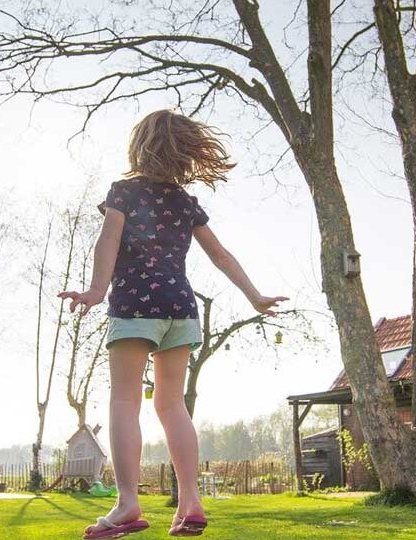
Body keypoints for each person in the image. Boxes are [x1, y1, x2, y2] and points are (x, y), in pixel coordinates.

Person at [59, 110, 286, 538]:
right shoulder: (186, 202)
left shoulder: (123, 193)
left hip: (135, 308)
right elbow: (221, 256)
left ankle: (127, 503)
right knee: (171, 405)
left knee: (125, 401)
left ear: (140, 146)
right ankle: (191, 502)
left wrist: (94, 291)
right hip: (180, 308)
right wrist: (254, 296)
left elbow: (107, 240)